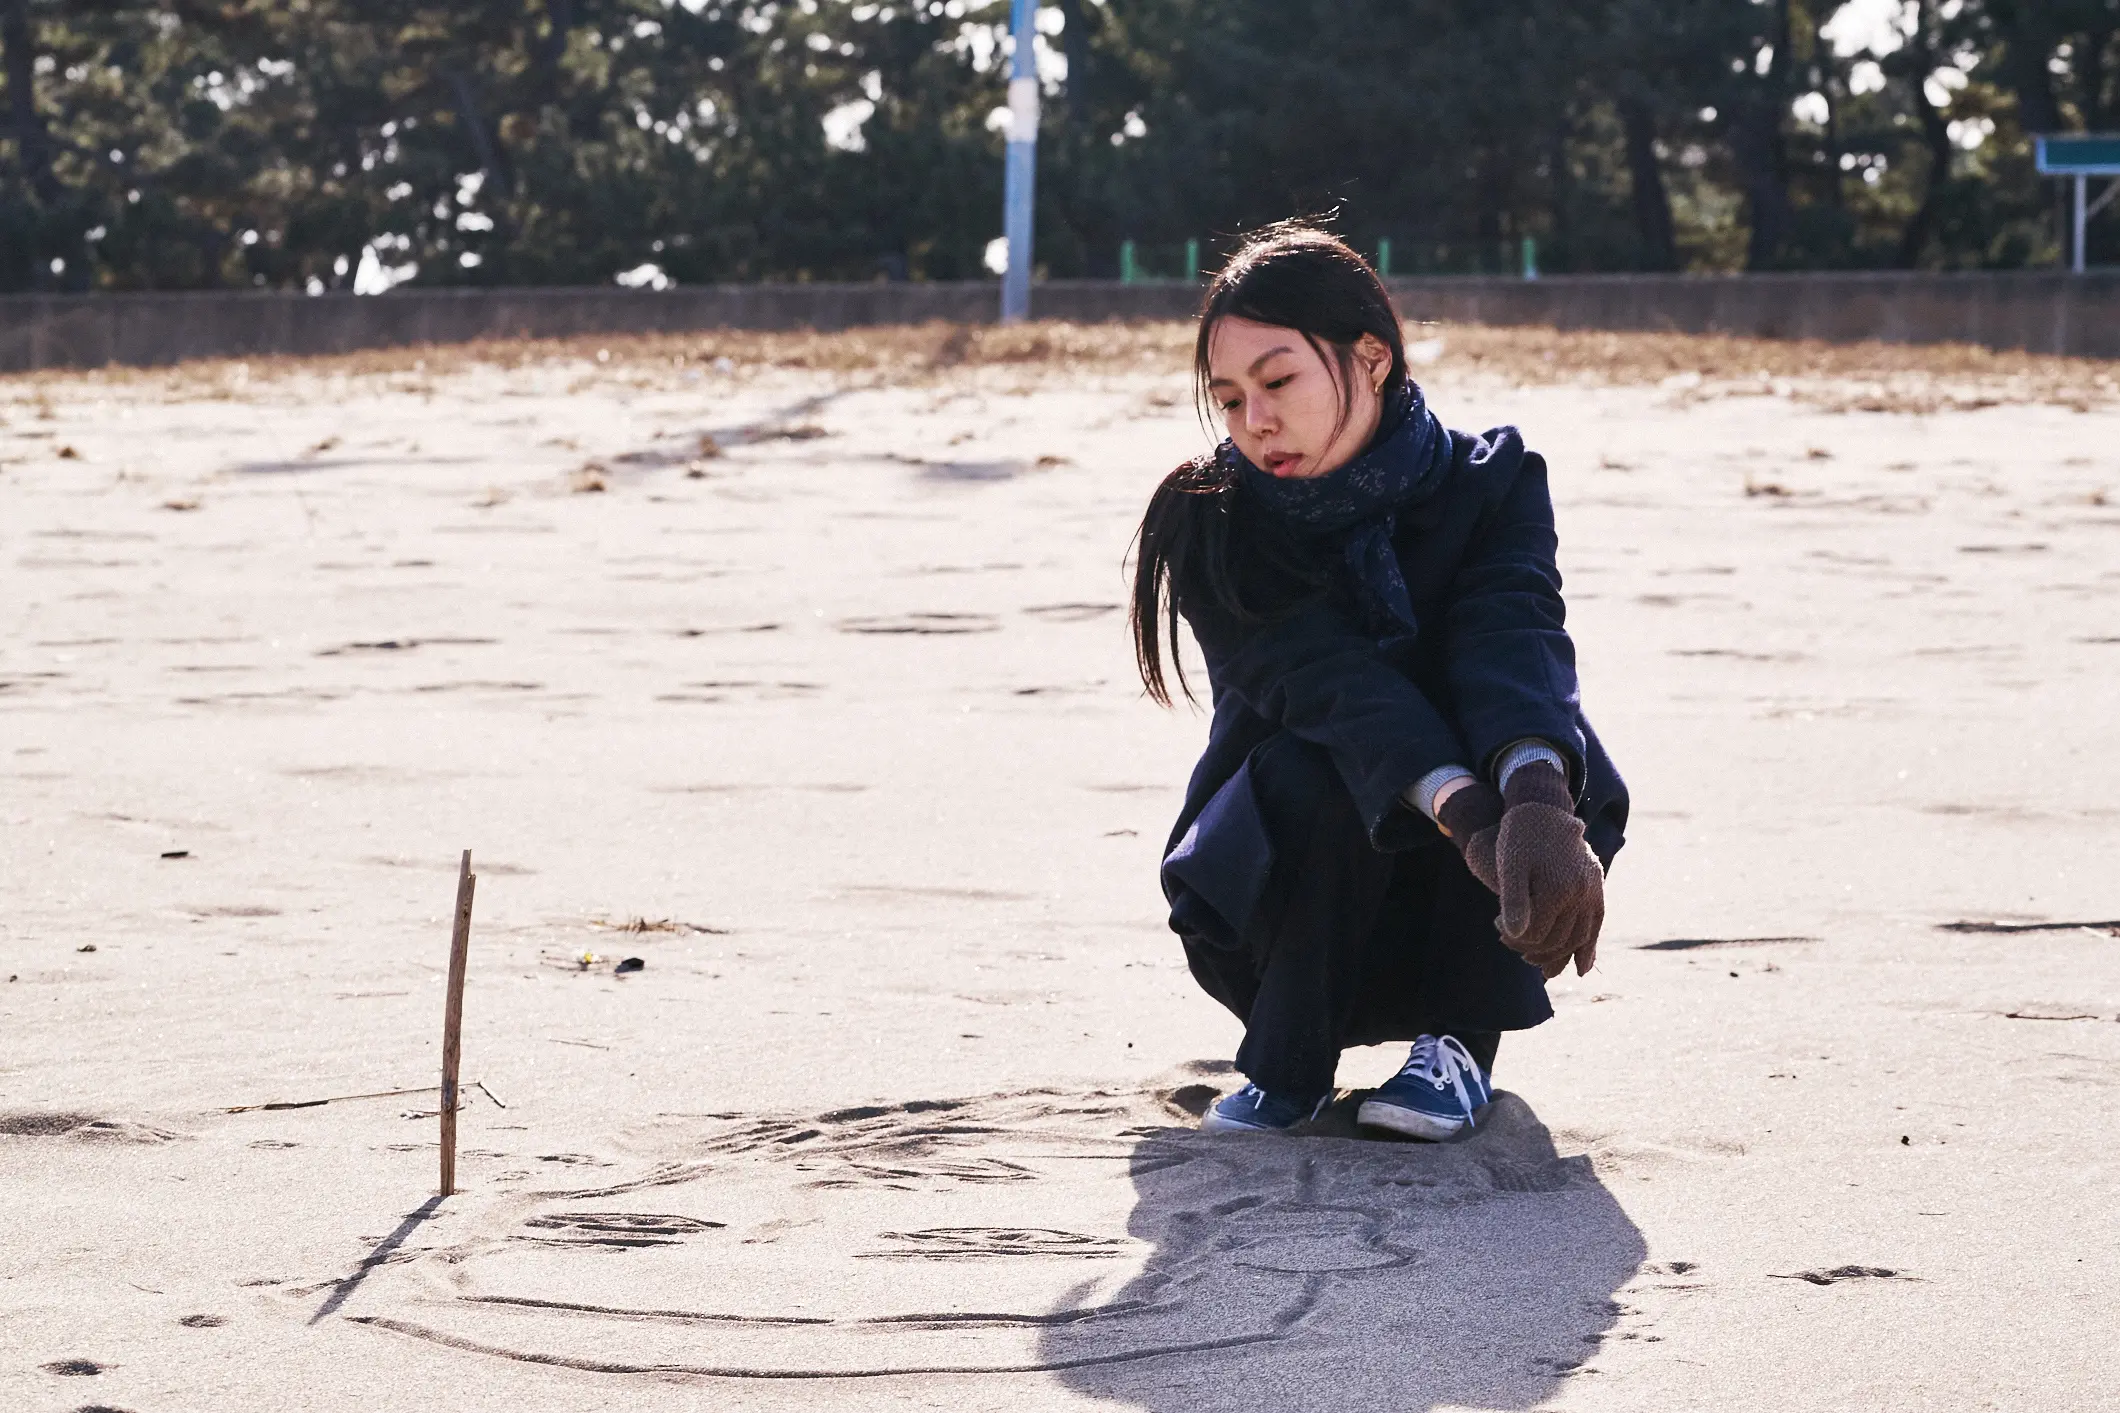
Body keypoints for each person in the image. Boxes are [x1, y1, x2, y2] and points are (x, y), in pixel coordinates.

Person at [1129, 222, 1628, 1138]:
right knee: (1321, 761)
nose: (1255, 421)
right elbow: (1329, 686)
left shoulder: (1495, 483)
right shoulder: (1213, 521)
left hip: (1466, 909)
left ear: (1371, 358)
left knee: (1546, 743)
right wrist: (1468, 815)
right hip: (1280, 892)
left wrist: (1532, 802)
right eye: (1229, 397)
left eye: (1278, 381)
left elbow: (1511, 630)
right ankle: (1289, 1064)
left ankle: (1458, 1048)